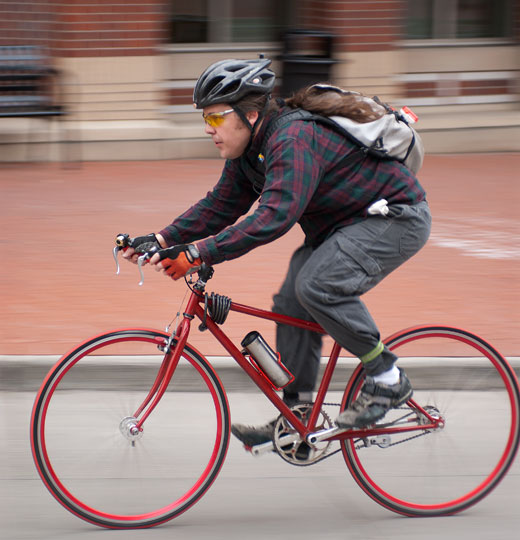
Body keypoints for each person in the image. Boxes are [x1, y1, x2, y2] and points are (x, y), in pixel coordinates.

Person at [122, 57, 431, 448]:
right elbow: (222, 204)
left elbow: (274, 217)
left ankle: (387, 379)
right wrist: (161, 238)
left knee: (318, 285)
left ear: (250, 115)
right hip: (343, 226)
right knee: (290, 300)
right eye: (206, 119)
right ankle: (299, 415)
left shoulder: (293, 139)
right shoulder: (251, 151)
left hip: (395, 219)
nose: (208, 128)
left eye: (216, 118)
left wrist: (200, 252)